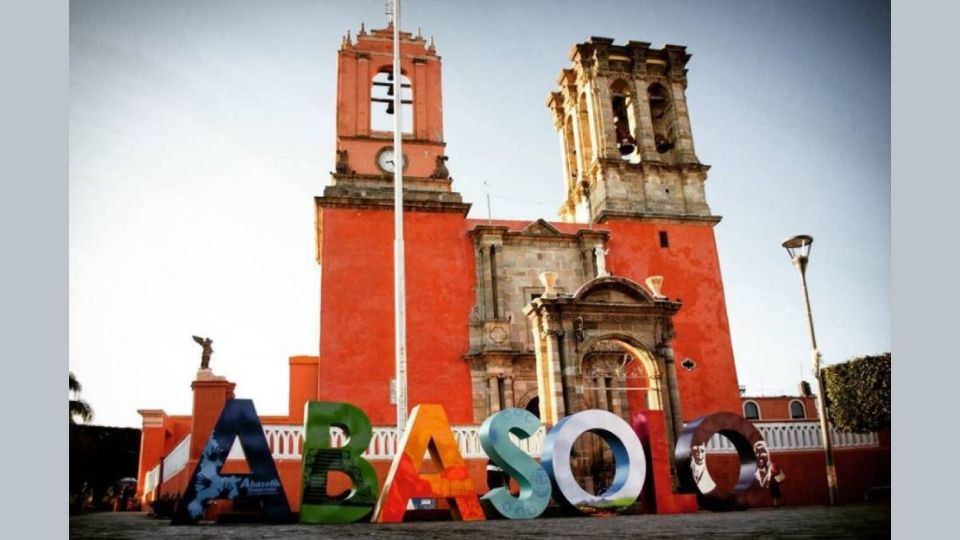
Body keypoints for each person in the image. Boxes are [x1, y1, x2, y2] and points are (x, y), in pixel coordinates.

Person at [754, 441, 785, 506]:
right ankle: (776, 503)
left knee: (777, 492)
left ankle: (778, 502)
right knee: (774, 492)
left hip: (775, 480)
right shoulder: (766, 466)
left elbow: (778, 472)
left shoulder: (773, 465)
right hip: (772, 481)